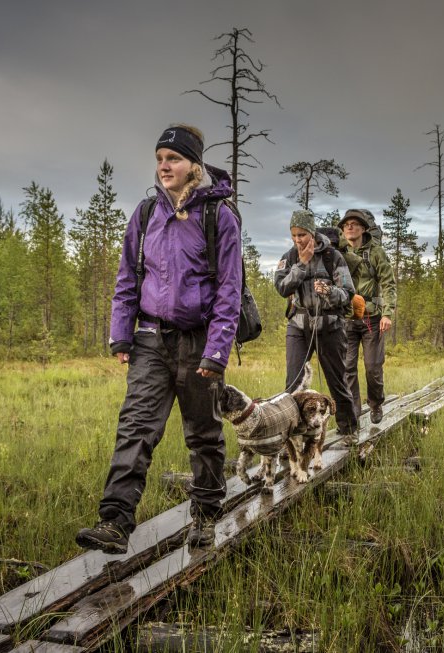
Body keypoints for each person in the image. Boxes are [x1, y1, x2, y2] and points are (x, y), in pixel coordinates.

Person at [76, 124, 242, 554]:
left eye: (173, 158)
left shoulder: (218, 216)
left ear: (194, 167)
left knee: (203, 433)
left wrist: (217, 351)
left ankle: (205, 515)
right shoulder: (146, 214)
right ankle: (114, 521)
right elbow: (127, 276)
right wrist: (120, 335)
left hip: (200, 342)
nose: (163, 166)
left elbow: (230, 290)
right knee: (135, 428)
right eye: (159, 158)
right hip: (150, 339)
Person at [274, 209, 359, 437]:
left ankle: (349, 430)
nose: (297, 240)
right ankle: (291, 435)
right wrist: (301, 266)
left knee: (337, 381)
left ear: (311, 232)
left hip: (330, 327)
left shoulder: (333, 257)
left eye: (302, 235)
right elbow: (282, 288)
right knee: (293, 385)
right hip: (298, 327)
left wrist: (330, 292)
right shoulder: (290, 257)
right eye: (293, 236)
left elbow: (348, 293)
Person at [337, 209, 397, 424]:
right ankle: (354, 411)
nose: (350, 227)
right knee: (347, 367)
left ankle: (376, 404)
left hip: (372, 319)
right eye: (346, 225)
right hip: (346, 319)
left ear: (363, 228)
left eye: (354, 224)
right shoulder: (338, 252)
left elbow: (389, 284)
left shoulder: (375, 252)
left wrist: (387, 314)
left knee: (373, 367)